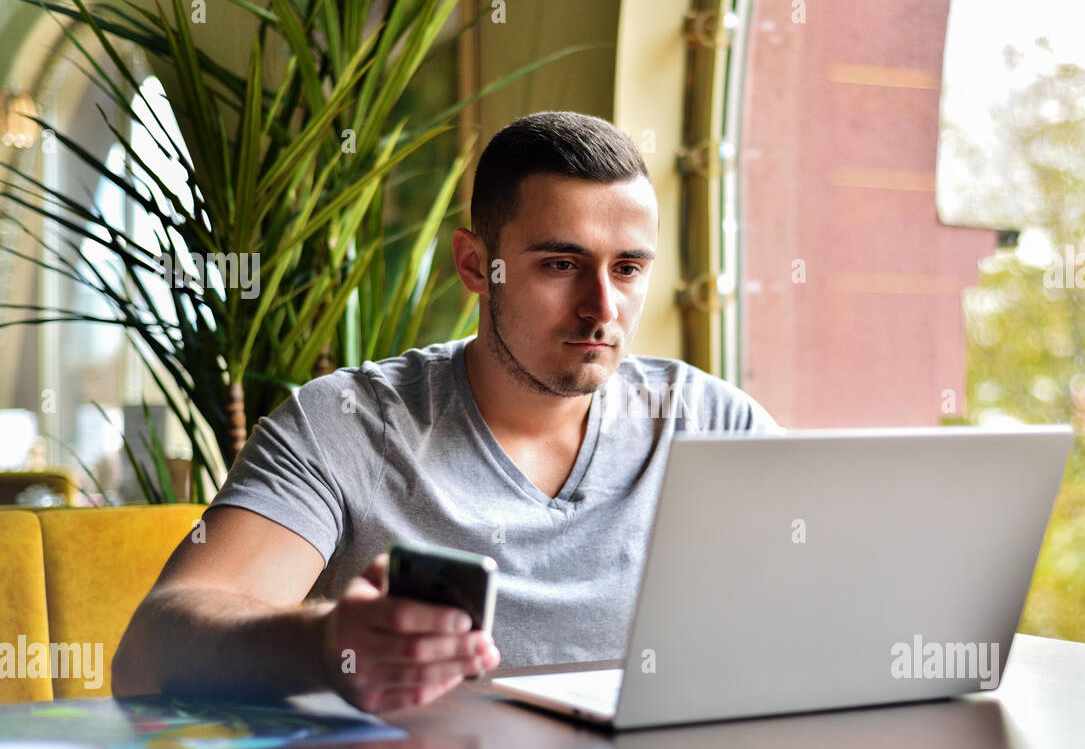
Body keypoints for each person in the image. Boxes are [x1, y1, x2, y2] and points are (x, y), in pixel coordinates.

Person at [111, 111, 782, 713]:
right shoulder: (347, 423)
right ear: (473, 264)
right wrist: (324, 643)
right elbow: (150, 649)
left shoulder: (711, 423)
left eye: (629, 268)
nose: (602, 307)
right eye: (559, 264)